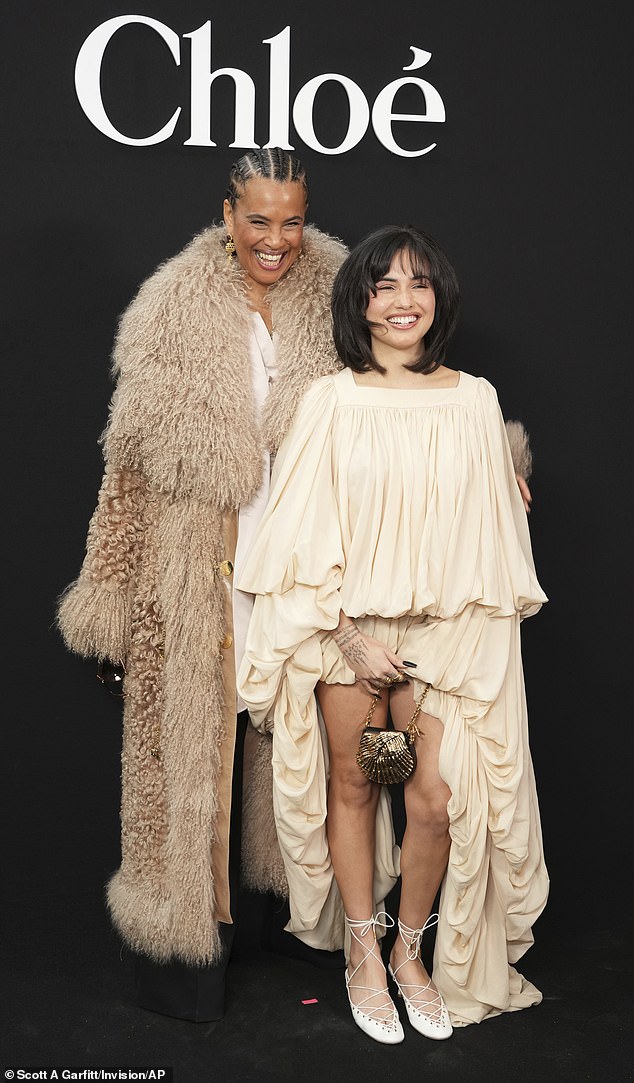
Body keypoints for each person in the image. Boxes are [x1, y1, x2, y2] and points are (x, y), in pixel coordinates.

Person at [56, 150, 535, 1023]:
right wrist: (110, 596)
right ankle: (189, 953)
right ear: (227, 213)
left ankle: (313, 928)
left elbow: (410, 398)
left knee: (300, 760)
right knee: (192, 758)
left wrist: (501, 461)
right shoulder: (170, 309)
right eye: (257, 219)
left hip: (323, 562)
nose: (275, 238)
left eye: (291, 220)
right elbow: (125, 464)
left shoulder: (335, 287)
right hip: (206, 561)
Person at [236, 224, 549, 1043]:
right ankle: (363, 955)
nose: (402, 300)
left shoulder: (475, 400)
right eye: (383, 285)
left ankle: (411, 952)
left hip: (448, 631)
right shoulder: (331, 401)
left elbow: (487, 531)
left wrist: (506, 471)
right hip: (348, 626)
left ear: (439, 296)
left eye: (418, 282)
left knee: (437, 798)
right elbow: (298, 535)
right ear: (360, 302)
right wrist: (349, 638)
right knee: (353, 782)